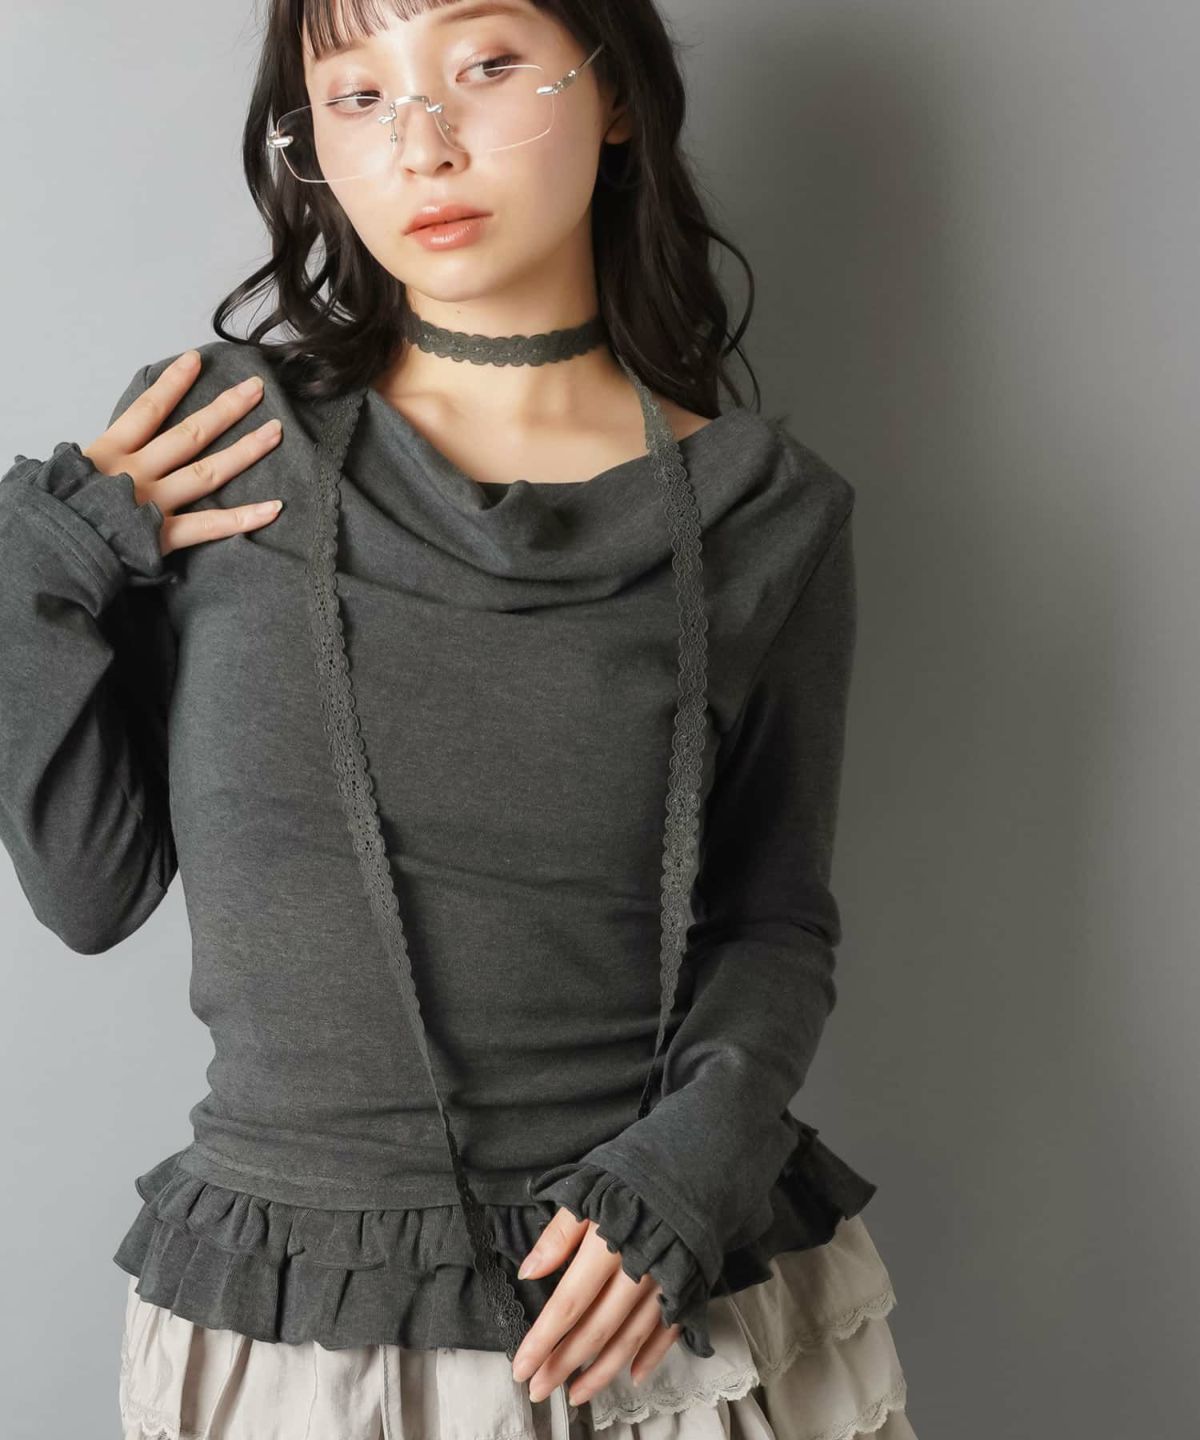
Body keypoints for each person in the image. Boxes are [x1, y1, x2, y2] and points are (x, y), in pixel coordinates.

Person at [0, 0, 919, 1435]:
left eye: (486, 66)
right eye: (358, 95)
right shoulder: (220, 440)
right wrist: (36, 562)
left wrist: (685, 1178)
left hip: (656, 1306)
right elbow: (89, 891)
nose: (421, 146)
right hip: (298, 1319)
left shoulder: (767, 512)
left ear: (617, 96)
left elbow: (772, 918)